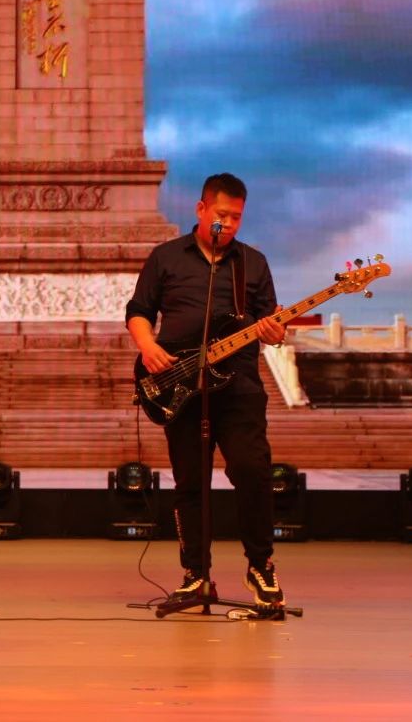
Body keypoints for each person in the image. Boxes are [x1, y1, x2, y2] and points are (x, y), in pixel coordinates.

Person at [125, 173, 287, 607]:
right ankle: (196, 574)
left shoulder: (253, 263)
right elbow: (139, 311)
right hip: (179, 387)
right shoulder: (166, 257)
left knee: (252, 472)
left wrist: (274, 332)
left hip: (240, 388)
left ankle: (260, 566)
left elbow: (269, 322)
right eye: (222, 215)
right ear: (201, 209)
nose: (228, 224)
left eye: (236, 217)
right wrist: (148, 347)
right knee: (190, 483)